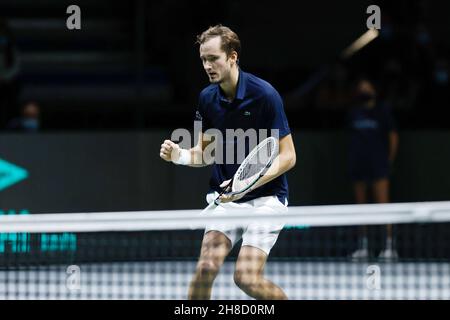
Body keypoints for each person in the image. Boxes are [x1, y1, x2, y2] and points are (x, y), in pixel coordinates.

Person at [159, 25, 296, 299]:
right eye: (203, 60)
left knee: (245, 278)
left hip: (267, 200)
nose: (207, 66)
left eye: (213, 58)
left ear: (232, 57)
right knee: (206, 268)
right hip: (227, 200)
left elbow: (289, 156)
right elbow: (204, 153)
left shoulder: (265, 95)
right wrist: (180, 156)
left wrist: (250, 183)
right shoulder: (207, 99)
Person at [348, 78, 399, 261]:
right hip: (358, 165)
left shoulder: (382, 111)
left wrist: (389, 160)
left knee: (383, 206)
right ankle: (363, 247)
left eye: (367, 86)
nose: (364, 90)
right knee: (361, 208)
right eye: (361, 87)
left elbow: (393, 137)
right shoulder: (354, 113)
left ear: (374, 90)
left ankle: (388, 247)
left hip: (378, 165)